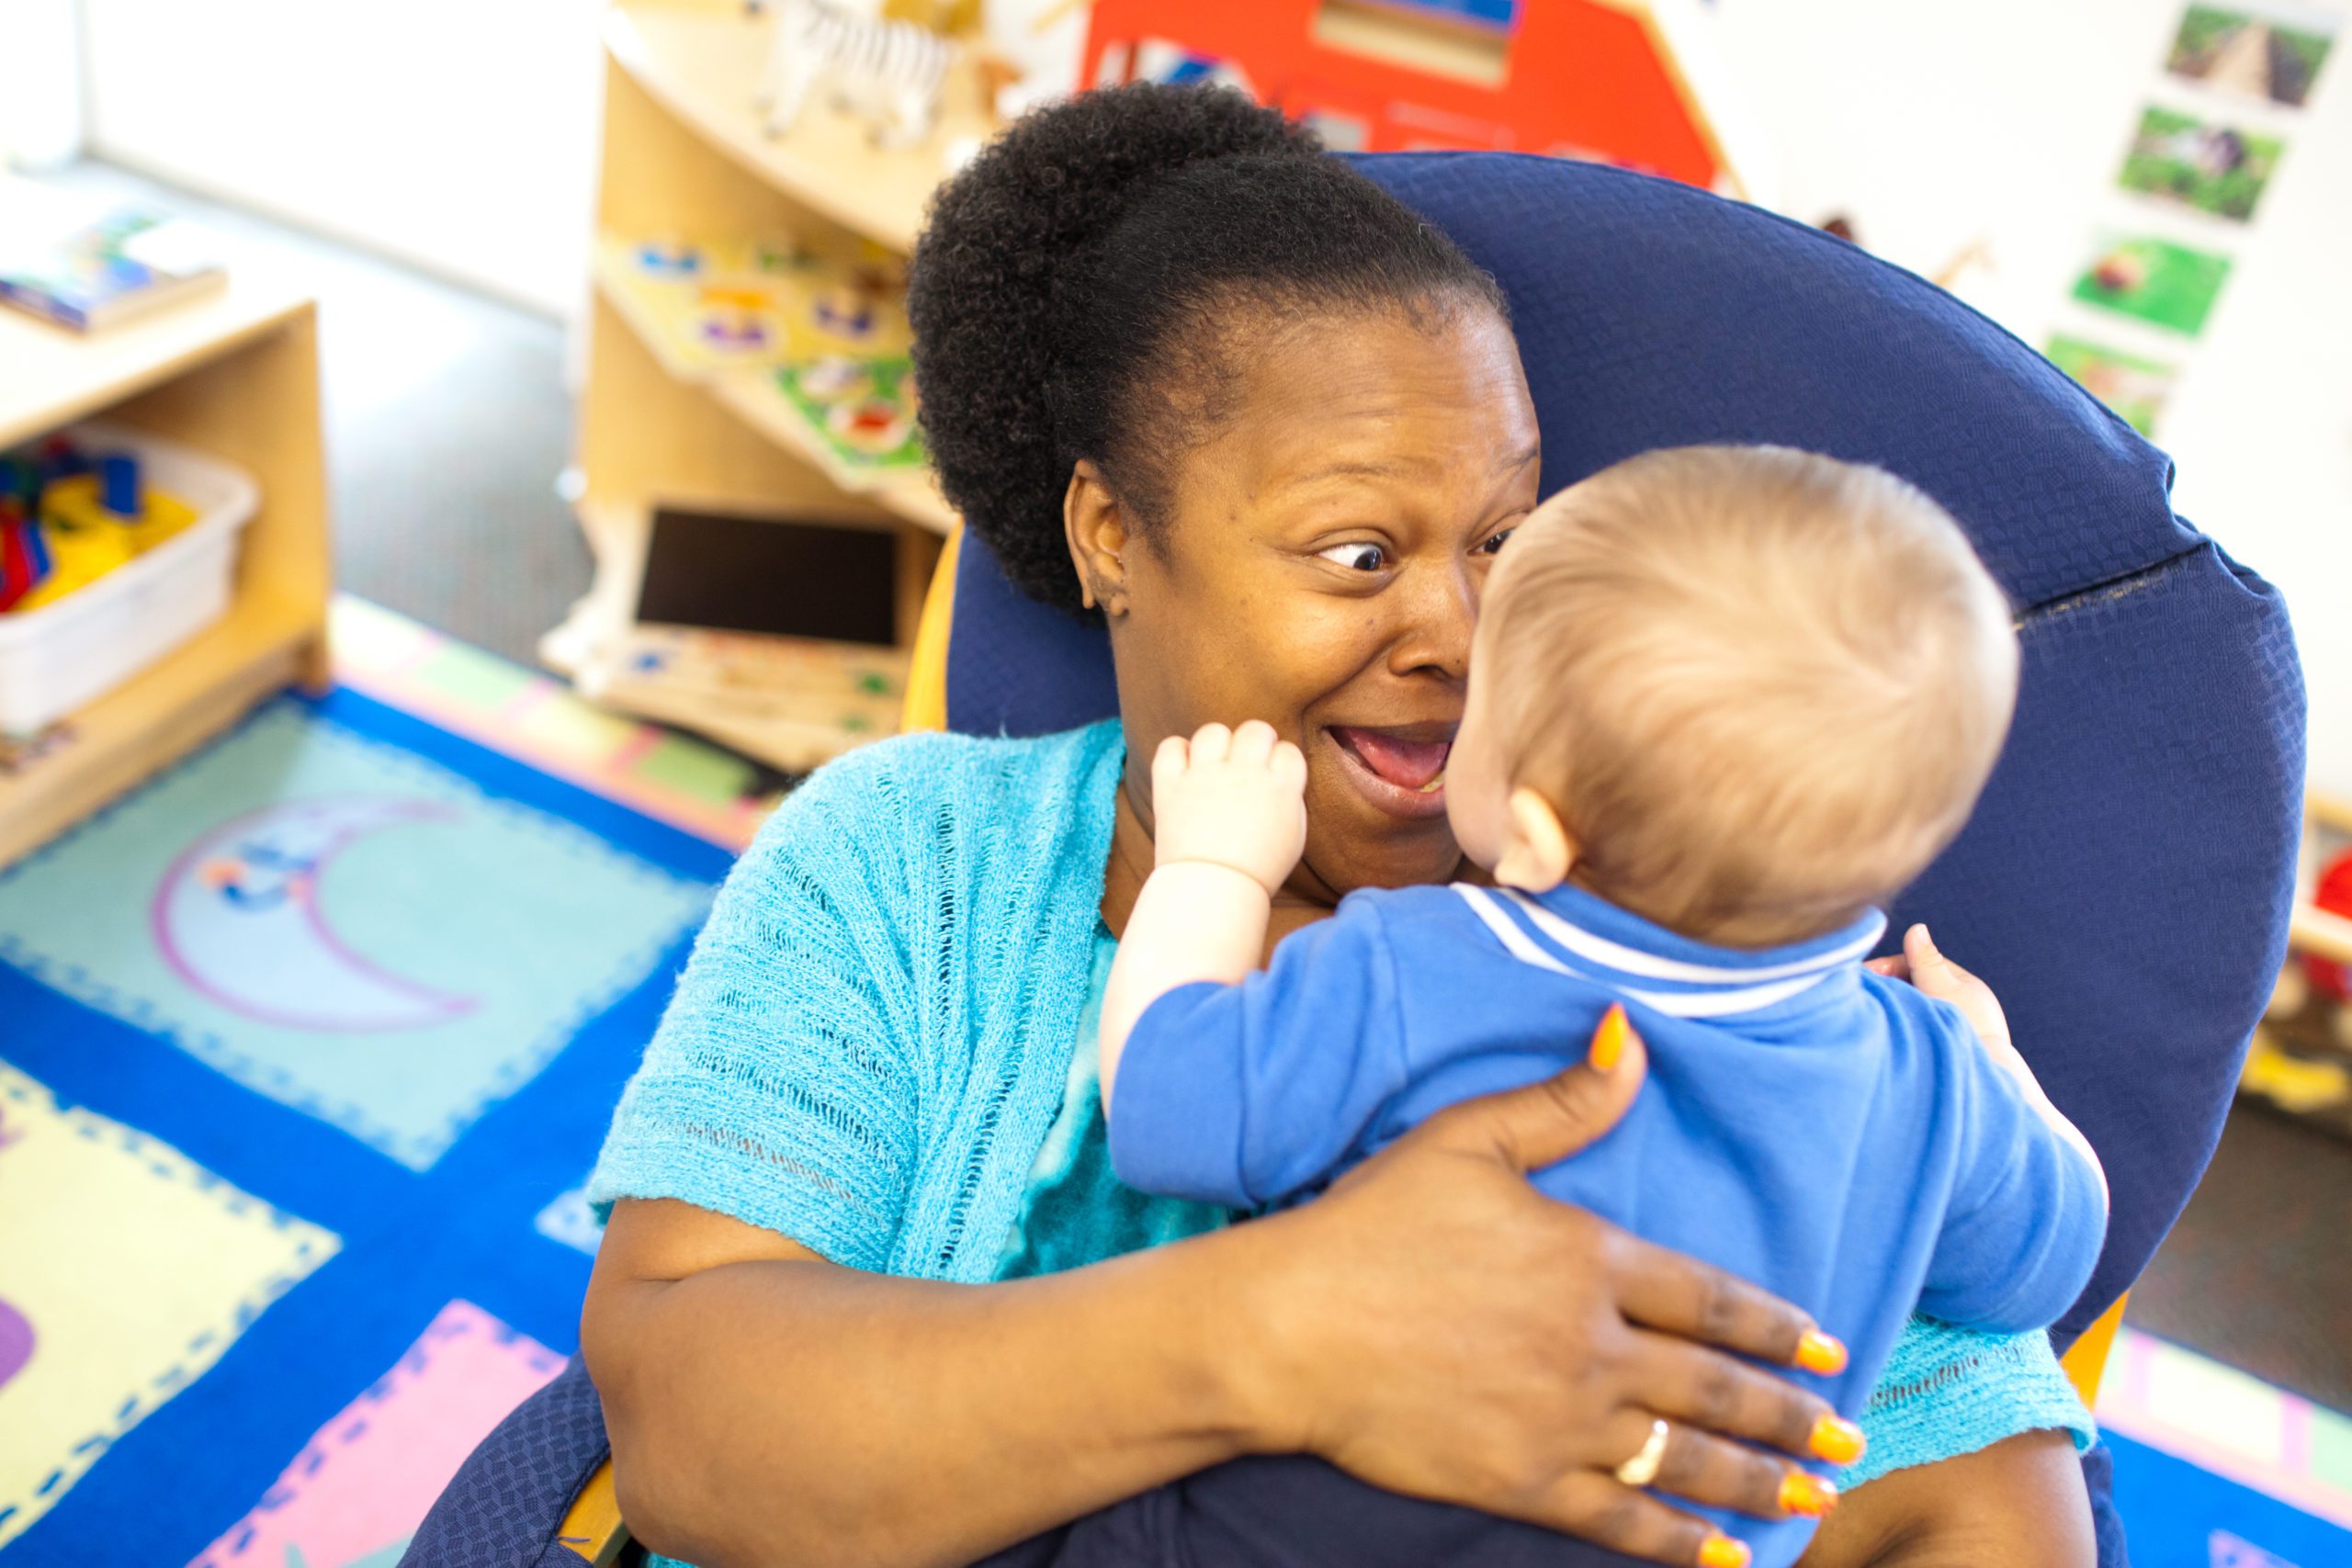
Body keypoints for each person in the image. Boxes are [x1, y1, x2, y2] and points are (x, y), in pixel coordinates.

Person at [580, 85, 2099, 1568]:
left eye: (1506, 536)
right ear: (1114, 533)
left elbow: (1981, 1484)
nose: (1461, 628)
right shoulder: (910, 861)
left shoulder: (1728, 969)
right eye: (1360, 552)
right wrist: (1276, 1325)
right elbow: (687, 1422)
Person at [971, 447, 2108, 1568]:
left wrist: (1211, 868)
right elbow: (2041, 1269)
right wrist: (1994, 1065)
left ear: (1536, 830)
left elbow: (1169, 1115)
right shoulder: (1931, 1077)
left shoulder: (1423, 969)